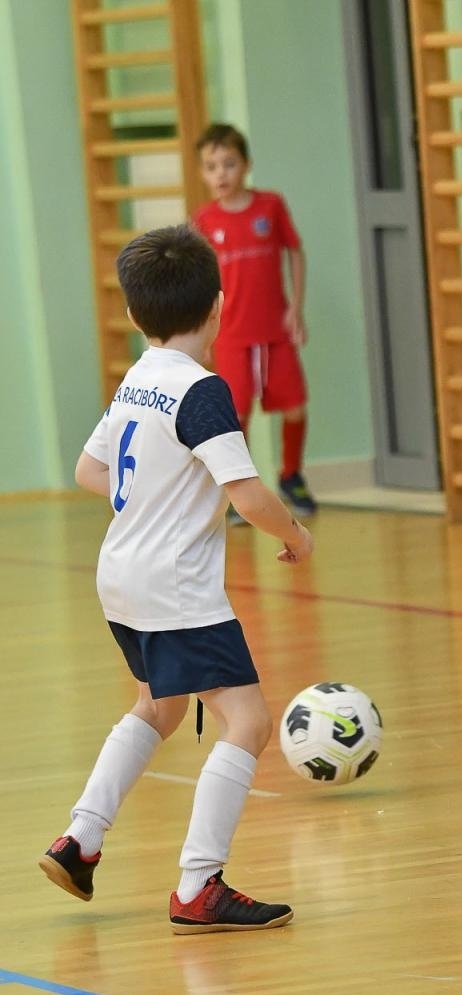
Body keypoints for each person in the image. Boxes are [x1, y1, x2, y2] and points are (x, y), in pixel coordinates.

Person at [39, 225, 313, 934]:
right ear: (220, 307)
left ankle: (80, 840)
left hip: (121, 576)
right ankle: (199, 885)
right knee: (248, 722)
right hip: (175, 587)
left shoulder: (139, 378)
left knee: (158, 708)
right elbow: (249, 495)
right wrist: (296, 534)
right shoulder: (202, 393)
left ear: (134, 316)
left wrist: (153, 502)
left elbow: (88, 470)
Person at [193, 123, 316, 518]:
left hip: (274, 334)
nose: (221, 174)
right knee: (235, 417)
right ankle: (236, 494)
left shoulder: (271, 206)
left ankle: (291, 475)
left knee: (295, 406)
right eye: (211, 167)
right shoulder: (204, 221)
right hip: (231, 336)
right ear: (203, 173)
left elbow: (295, 253)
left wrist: (295, 306)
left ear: (246, 164)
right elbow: (199, 281)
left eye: (229, 164)